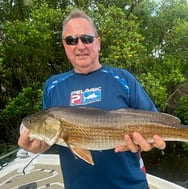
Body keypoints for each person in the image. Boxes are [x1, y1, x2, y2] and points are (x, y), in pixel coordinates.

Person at [18, 8, 166, 189]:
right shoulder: (53, 86)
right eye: (71, 40)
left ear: (98, 43)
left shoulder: (123, 79)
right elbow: (47, 139)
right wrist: (36, 146)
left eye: (86, 38)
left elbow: (155, 124)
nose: (80, 46)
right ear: (64, 45)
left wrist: (147, 143)